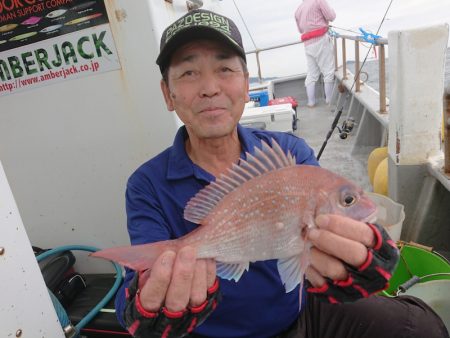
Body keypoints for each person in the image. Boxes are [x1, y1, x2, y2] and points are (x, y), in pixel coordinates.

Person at [115, 8, 449, 338]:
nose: (210, 87)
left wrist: (367, 259)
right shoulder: (146, 184)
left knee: (420, 327)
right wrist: (147, 308)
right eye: (188, 73)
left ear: (246, 85)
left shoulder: (291, 152)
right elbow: (135, 297)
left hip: (302, 310)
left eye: (225, 69)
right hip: (215, 332)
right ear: (167, 94)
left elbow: (320, 259)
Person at [295, 0, 336, 107]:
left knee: (312, 74)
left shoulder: (298, 9)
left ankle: (311, 102)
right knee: (328, 72)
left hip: (308, 44)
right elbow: (331, 16)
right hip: (321, 40)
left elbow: (300, 30)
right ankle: (329, 101)